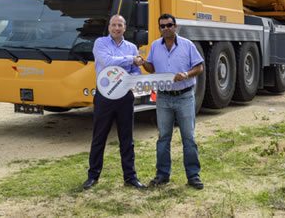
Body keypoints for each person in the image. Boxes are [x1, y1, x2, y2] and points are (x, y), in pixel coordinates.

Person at [82, 14, 147, 190]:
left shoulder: (132, 47)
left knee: (127, 139)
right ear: (109, 27)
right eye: (113, 25)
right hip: (104, 96)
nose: (116, 28)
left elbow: (136, 72)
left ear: (125, 28)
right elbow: (108, 62)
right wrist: (130, 59)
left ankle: (130, 178)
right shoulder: (100, 43)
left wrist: (131, 74)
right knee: (99, 137)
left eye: (120, 25)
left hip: (125, 96)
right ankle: (93, 176)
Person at [141, 13, 205, 190]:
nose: (166, 28)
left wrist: (186, 74)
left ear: (175, 26)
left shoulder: (187, 45)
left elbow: (199, 67)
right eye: (163, 26)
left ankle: (193, 176)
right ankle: (162, 175)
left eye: (169, 25)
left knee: (189, 138)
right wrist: (142, 63)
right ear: (159, 28)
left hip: (184, 96)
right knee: (163, 138)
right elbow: (151, 68)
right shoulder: (155, 46)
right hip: (163, 98)